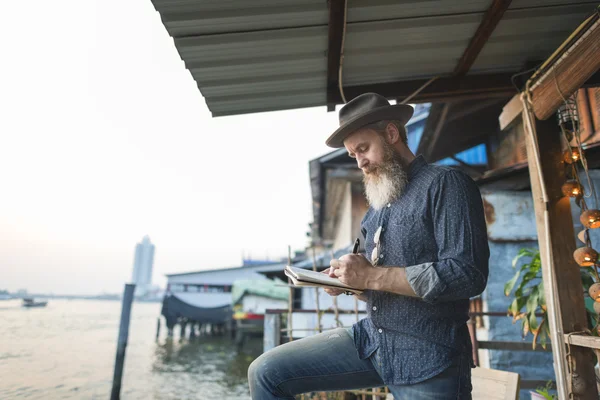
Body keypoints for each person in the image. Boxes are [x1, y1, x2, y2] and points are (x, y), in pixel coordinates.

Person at [248, 93, 490, 399]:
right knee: (266, 372)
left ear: (391, 134)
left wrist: (371, 277)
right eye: (353, 154)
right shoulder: (375, 209)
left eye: (363, 148)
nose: (360, 162)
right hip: (372, 341)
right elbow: (374, 284)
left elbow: (467, 274)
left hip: (429, 354)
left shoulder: (446, 184)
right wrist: (348, 282)